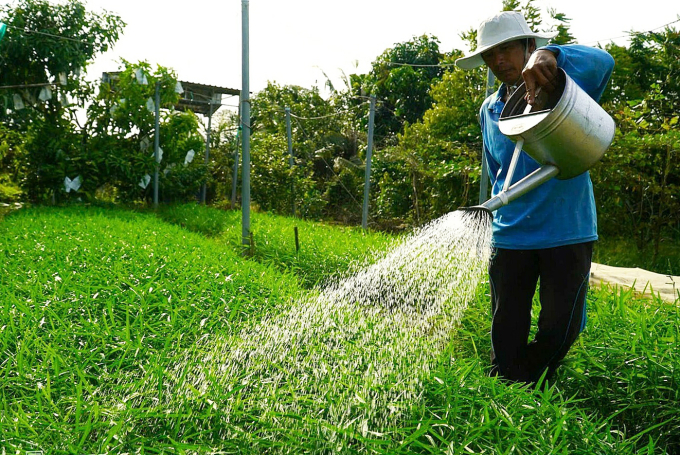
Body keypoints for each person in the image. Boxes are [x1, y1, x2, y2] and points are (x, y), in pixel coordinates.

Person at [455, 11, 615, 384]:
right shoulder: (490, 109)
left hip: (567, 230)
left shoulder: (565, 85)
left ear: (530, 46)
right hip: (510, 235)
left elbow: (604, 62)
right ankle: (506, 389)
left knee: (562, 325)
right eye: (490, 55)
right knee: (506, 323)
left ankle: (530, 376)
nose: (499, 61)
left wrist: (553, 56)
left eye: (508, 49)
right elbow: (498, 170)